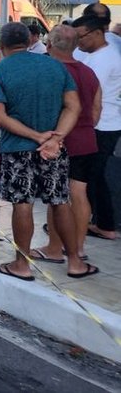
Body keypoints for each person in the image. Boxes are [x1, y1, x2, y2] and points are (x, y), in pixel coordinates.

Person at [0, 22, 95, 280]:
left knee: (21, 204)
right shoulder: (55, 66)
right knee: (60, 202)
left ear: (2, 46)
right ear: (28, 41)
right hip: (53, 150)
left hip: (16, 149)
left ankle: (21, 265)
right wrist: (56, 139)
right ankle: (75, 263)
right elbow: (74, 106)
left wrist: (35, 136)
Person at [33, 24, 100, 262]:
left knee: (56, 196)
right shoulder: (88, 72)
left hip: (58, 140)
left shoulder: (50, 71)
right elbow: (95, 109)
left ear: (49, 45)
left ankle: (54, 248)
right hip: (86, 139)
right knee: (79, 193)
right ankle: (78, 248)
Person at [74, 13, 121, 241]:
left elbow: (94, 100)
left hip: (102, 125)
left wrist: (87, 128)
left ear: (97, 34)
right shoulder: (95, 54)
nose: (78, 42)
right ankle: (101, 222)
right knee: (95, 176)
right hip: (100, 124)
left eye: (81, 37)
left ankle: (103, 225)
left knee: (92, 177)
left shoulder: (105, 59)